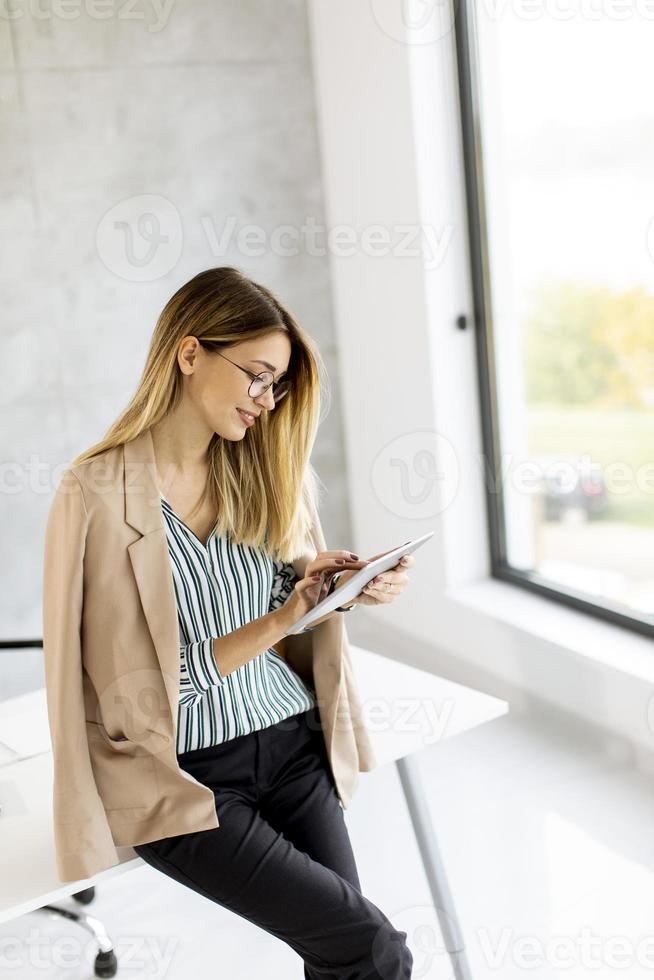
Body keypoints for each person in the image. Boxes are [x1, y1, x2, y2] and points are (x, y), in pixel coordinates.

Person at [43, 266, 415, 978]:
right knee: (372, 948)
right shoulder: (94, 494)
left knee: (346, 955)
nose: (267, 401)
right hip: (188, 777)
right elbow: (137, 692)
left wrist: (337, 589)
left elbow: (291, 607)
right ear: (190, 353)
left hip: (293, 745)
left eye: (277, 386)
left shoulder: (267, 470)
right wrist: (284, 616)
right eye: (256, 376)